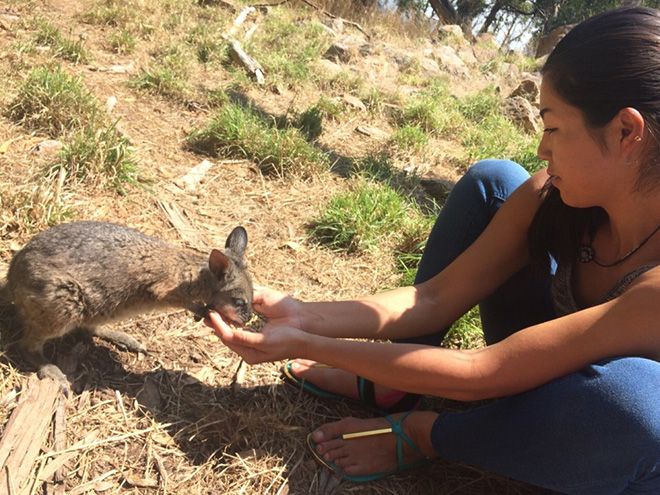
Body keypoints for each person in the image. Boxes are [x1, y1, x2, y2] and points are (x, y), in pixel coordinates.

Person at [207, 6, 660, 494]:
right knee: (495, 181)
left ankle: (433, 434)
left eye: (552, 128)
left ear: (625, 131)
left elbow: (485, 372)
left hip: (615, 438)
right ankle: (399, 382)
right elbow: (434, 298)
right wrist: (306, 316)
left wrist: (308, 345)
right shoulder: (557, 197)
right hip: (539, 369)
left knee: (633, 405)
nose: (541, 149)